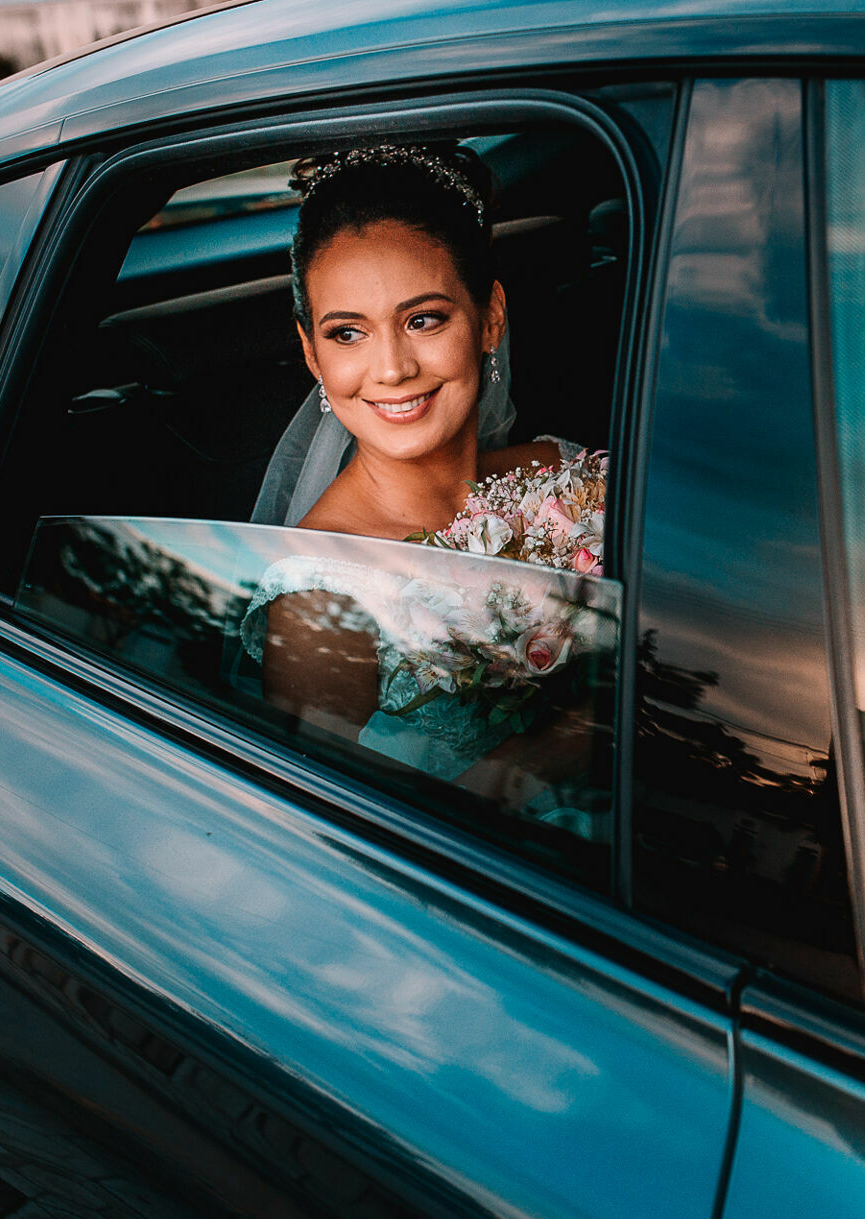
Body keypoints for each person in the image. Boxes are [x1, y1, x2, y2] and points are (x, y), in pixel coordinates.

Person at [241, 143, 598, 807]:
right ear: (311, 354)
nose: (393, 368)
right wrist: (570, 743)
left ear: (489, 318)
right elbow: (347, 848)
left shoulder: (563, 474)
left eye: (423, 319)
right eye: (348, 333)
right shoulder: (322, 599)